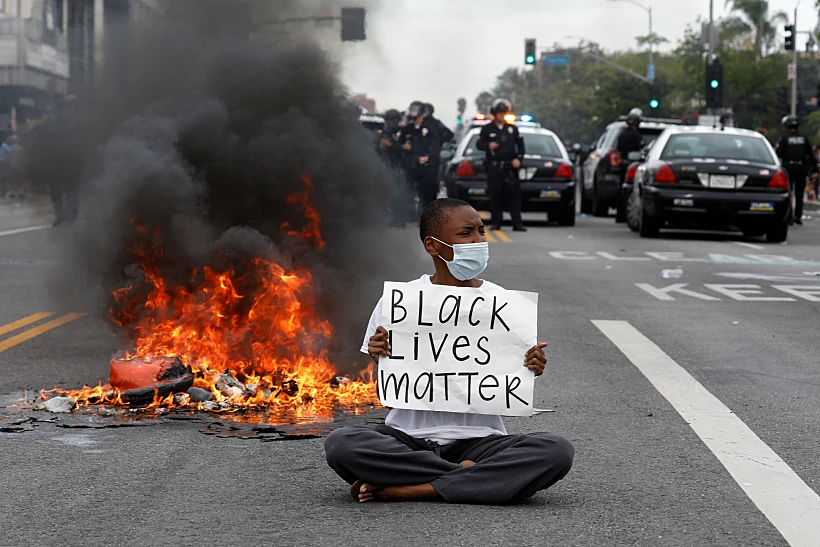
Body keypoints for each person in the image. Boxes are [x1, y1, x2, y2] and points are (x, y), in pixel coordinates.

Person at [324, 198, 574, 504]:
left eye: (481, 231)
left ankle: (413, 487)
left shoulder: (501, 302)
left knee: (556, 450)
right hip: (409, 438)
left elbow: (509, 374)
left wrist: (530, 364)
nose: (479, 240)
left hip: (480, 442)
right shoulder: (402, 301)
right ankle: (468, 477)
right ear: (433, 245)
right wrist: (380, 357)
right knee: (342, 444)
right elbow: (390, 387)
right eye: (466, 233)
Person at [476, 98, 526, 232]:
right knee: (495, 195)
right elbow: (479, 144)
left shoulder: (512, 129)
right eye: (499, 113)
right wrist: (488, 145)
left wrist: (518, 159)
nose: (501, 115)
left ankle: (517, 223)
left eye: (504, 113)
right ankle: (496, 222)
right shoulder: (487, 129)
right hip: (494, 167)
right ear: (494, 113)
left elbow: (521, 147)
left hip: (510, 167)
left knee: (514, 196)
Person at [776, 115, 818, 225]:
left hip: (788, 169)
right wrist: (815, 169)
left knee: (789, 193)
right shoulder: (804, 139)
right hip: (801, 169)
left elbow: (778, 153)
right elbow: (811, 155)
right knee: (799, 194)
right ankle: (798, 216)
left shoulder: (784, 139)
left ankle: (789, 216)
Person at [401, 101, 441, 216]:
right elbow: (400, 144)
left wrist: (428, 157)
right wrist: (404, 147)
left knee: (426, 193)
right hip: (410, 165)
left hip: (425, 166)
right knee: (408, 191)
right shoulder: (407, 129)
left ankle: (424, 215)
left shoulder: (429, 129)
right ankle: (409, 215)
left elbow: (435, 147)